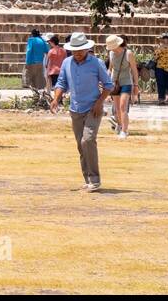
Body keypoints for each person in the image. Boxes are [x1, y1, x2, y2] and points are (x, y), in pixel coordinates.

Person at [50, 32, 113, 192]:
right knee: (80, 145)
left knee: (88, 140)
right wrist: (56, 99)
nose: (77, 53)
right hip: (75, 109)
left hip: (93, 108)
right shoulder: (66, 63)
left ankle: (95, 179)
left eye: (81, 50)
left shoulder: (96, 63)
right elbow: (61, 83)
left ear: (87, 49)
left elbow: (108, 85)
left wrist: (99, 103)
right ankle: (87, 179)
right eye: (74, 50)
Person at [105, 34, 138, 139]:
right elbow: (110, 68)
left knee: (123, 106)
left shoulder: (128, 53)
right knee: (117, 108)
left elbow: (134, 70)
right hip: (114, 82)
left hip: (126, 82)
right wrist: (106, 81)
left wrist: (136, 85)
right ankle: (119, 125)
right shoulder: (111, 54)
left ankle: (124, 130)